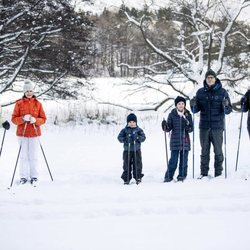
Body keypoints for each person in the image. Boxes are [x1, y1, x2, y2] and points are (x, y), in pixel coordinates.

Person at [190, 69, 232, 178]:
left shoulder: (222, 92)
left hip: (217, 127)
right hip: (204, 127)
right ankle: (204, 173)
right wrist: (193, 104)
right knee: (204, 151)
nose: (210, 79)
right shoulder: (200, 92)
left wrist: (226, 105)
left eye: (211, 77)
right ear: (205, 79)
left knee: (218, 151)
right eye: (208, 77)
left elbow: (228, 111)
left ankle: (218, 173)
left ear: (215, 79)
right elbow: (195, 110)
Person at [11, 80, 47, 185]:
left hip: (34, 134)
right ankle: (23, 177)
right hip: (22, 134)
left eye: (31, 90)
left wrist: (36, 121)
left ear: (33, 91)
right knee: (23, 156)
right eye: (27, 91)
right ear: (24, 92)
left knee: (33, 156)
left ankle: (34, 176)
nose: (29, 93)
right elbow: (13, 119)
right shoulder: (19, 103)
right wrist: (22, 118)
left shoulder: (38, 104)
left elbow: (43, 119)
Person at [161, 96, 193, 182]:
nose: (181, 105)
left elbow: (191, 129)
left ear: (185, 105)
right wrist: (165, 126)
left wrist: (186, 126)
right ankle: (168, 176)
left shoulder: (188, 115)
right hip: (175, 141)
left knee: (184, 161)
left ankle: (182, 176)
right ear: (176, 105)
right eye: (179, 104)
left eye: (183, 103)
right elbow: (168, 128)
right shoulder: (172, 115)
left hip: (185, 141)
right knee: (173, 161)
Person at [117, 113, 146, 185]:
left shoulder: (139, 130)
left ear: (136, 122)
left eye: (133, 122)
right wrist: (126, 140)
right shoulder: (124, 130)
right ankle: (126, 178)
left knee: (137, 164)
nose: (132, 123)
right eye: (130, 122)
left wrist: (137, 138)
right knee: (127, 164)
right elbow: (119, 138)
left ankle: (138, 177)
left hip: (136, 150)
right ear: (127, 123)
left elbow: (143, 138)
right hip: (127, 150)